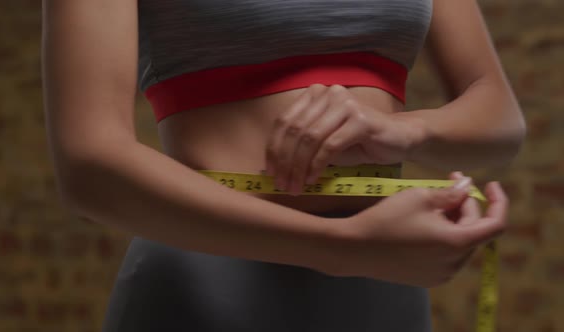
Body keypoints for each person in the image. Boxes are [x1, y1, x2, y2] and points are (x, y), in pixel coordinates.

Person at [41, 0, 526, 331]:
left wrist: (408, 131)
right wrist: (346, 247)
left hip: (383, 289)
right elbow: (90, 167)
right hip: (212, 282)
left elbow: (501, 122)